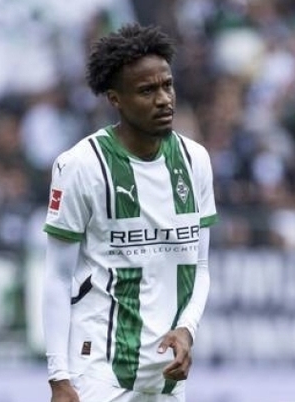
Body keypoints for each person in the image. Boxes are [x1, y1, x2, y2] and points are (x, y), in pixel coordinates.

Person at [43, 23, 218, 402]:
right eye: (146, 90)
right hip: (98, 369)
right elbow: (57, 277)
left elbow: (200, 267)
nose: (164, 99)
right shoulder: (81, 166)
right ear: (115, 99)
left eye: (167, 85)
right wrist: (59, 376)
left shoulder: (195, 161)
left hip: (167, 375)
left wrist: (187, 329)